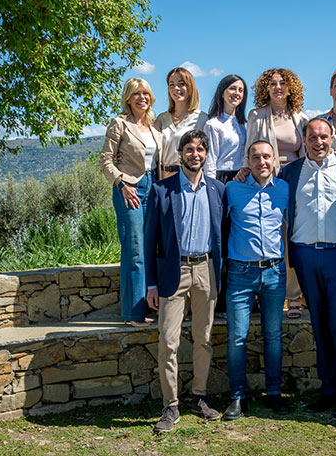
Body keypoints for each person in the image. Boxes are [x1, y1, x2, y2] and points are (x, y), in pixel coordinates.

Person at [278, 117, 336, 417]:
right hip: (305, 257)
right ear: (303, 140)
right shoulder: (289, 173)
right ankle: (328, 389)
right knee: (318, 324)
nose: (319, 142)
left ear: (333, 138)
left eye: (324, 137)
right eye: (312, 137)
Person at [144, 129, 225, 433]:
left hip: (206, 270)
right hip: (172, 274)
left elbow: (223, 234)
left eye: (200, 149)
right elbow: (149, 239)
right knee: (168, 342)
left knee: (203, 338)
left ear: (206, 153)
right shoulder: (161, 190)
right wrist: (150, 283)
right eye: (189, 149)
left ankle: (200, 397)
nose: (195, 154)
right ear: (180, 153)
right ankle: (170, 405)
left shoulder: (217, 190)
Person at [222, 140, 290, 420]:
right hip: (240, 273)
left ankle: (274, 392)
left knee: (273, 336)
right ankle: (238, 396)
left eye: (266, 156)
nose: (261, 161)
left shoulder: (285, 190)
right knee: (237, 337)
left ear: (275, 160)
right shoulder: (231, 189)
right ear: (247, 161)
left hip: (275, 272)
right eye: (255, 157)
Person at [238, 68, 308, 319]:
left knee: (291, 239)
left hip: (295, 184)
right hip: (266, 182)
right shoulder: (256, 115)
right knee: (266, 237)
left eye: (283, 83)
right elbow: (249, 149)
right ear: (265, 88)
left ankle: (294, 297)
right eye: (273, 83)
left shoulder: (300, 117)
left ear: (291, 88)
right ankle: (262, 293)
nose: (278, 87)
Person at [100, 78, 162, 327]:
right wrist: (122, 184)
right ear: (128, 98)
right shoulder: (119, 124)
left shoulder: (155, 128)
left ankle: (145, 306)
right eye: (136, 94)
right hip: (130, 190)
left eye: (145, 93)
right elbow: (105, 160)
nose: (141, 98)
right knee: (134, 249)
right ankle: (132, 314)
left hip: (153, 188)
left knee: (148, 249)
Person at [154, 67, 209, 179]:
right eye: (171, 85)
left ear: (190, 87)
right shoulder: (161, 118)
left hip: (190, 178)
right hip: (164, 179)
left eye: (181, 84)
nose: (176, 88)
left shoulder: (202, 119)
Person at [203, 75, 248, 183]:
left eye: (240, 90)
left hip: (243, 177)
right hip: (222, 178)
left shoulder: (245, 125)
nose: (237, 93)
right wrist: (210, 186)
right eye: (232, 88)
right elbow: (210, 161)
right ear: (222, 93)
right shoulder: (213, 125)